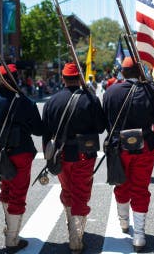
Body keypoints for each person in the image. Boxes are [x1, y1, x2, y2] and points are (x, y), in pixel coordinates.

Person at [41, 63, 106, 254]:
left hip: (60, 155)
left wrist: (48, 156)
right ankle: (76, 239)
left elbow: (46, 133)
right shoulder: (91, 99)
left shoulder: (52, 101)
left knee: (67, 189)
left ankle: (73, 228)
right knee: (81, 192)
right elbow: (101, 127)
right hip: (83, 154)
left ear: (63, 78)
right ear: (79, 78)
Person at [102, 57, 154, 251]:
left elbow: (106, 121)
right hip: (144, 145)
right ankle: (139, 235)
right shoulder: (151, 91)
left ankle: (123, 222)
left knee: (121, 184)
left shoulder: (110, 92)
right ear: (140, 72)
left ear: (123, 72)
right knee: (140, 188)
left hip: (119, 145)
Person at [0, 64, 43, 252]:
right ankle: (12, 239)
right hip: (21, 153)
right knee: (18, 194)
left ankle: (11, 228)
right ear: (16, 78)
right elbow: (38, 130)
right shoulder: (26, 102)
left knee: (6, 191)